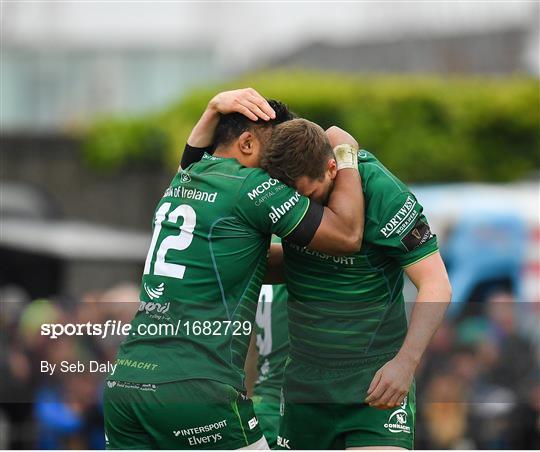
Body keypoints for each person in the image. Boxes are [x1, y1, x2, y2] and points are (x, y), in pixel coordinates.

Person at [103, 89, 364, 450]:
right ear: (246, 143)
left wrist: (213, 108)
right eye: (275, 154)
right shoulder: (250, 186)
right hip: (195, 388)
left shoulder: (184, 180)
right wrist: (344, 150)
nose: (281, 170)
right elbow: (347, 234)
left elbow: (253, 262)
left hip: (126, 386)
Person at [259, 118, 452, 450]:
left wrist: (404, 365)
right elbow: (292, 265)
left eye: (310, 195)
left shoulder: (380, 191)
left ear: (333, 169)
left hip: (374, 382)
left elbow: (437, 285)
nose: (306, 213)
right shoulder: (282, 191)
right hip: (306, 385)